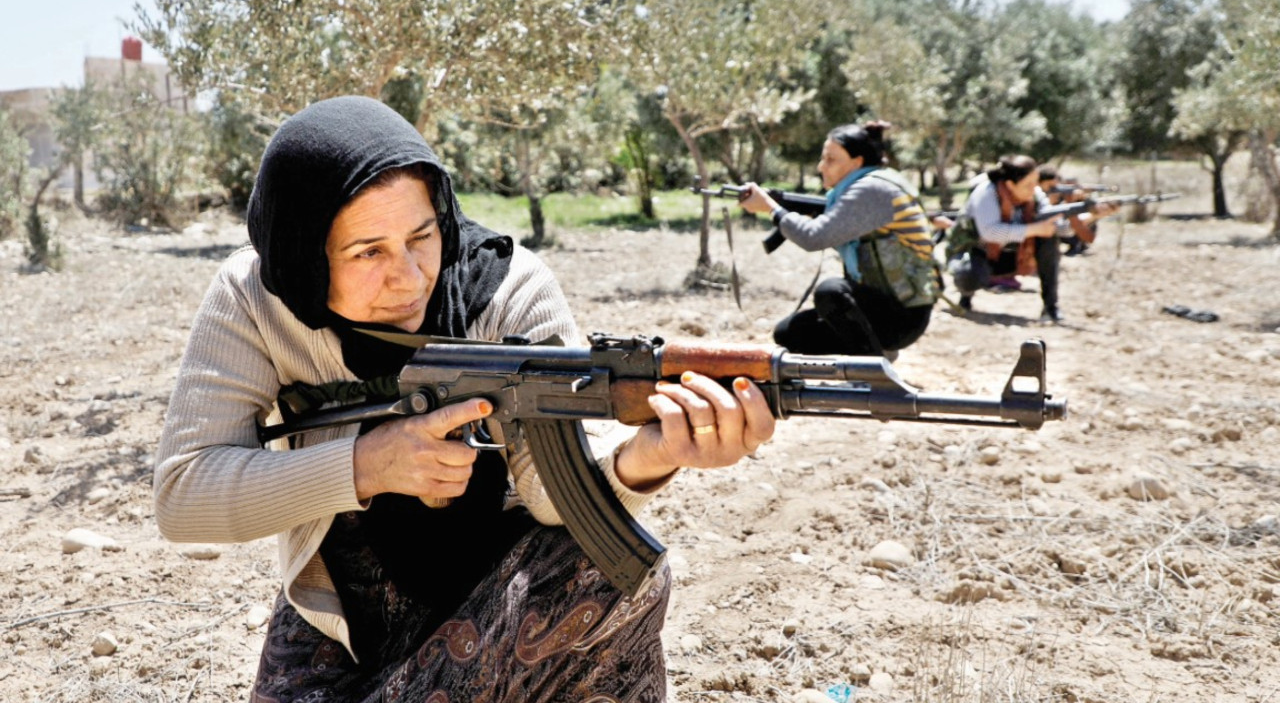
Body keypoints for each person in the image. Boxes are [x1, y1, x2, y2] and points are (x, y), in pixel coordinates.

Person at [154, 95, 775, 702]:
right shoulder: (256, 298)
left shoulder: (509, 290)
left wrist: (652, 453)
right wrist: (370, 464)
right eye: (367, 252)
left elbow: (551, 489)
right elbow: (184, 495)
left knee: (612, 566)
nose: (410, 275)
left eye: (423, 236)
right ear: (304, 256)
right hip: (341, 611)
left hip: (502, 584)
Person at [738, 121, 939, 359]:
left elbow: (814, 237)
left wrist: (771, 208)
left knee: (831, 292)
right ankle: (878, 352)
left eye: (831, 160)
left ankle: (873, 374)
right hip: (885, 306)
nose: (821, 166)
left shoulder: (872, 189)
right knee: (789, 334)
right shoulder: (866, 185)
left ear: (857, 162)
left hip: (903, 316)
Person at [945, 155, 1069, 323]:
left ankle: (1051, 307)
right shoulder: (986, 193)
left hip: (1013, 254)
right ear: (1010, 184)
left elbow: (1056, 222)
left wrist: (1087, 215)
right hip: (980, 252)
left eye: (1035, 182)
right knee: (971, 276)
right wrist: (1034, 229)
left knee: (1048, 239)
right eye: (1028, 184)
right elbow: (990, 232)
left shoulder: (1035, 193)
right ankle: (965, 296)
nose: (1034, 189)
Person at [1037, 166, 1118, 256]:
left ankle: (1078, 246)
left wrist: (1094, 215)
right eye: (1051, 187)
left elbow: (1066, 229)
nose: (1056, 192)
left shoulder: (1058, 199)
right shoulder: (1035, 203)